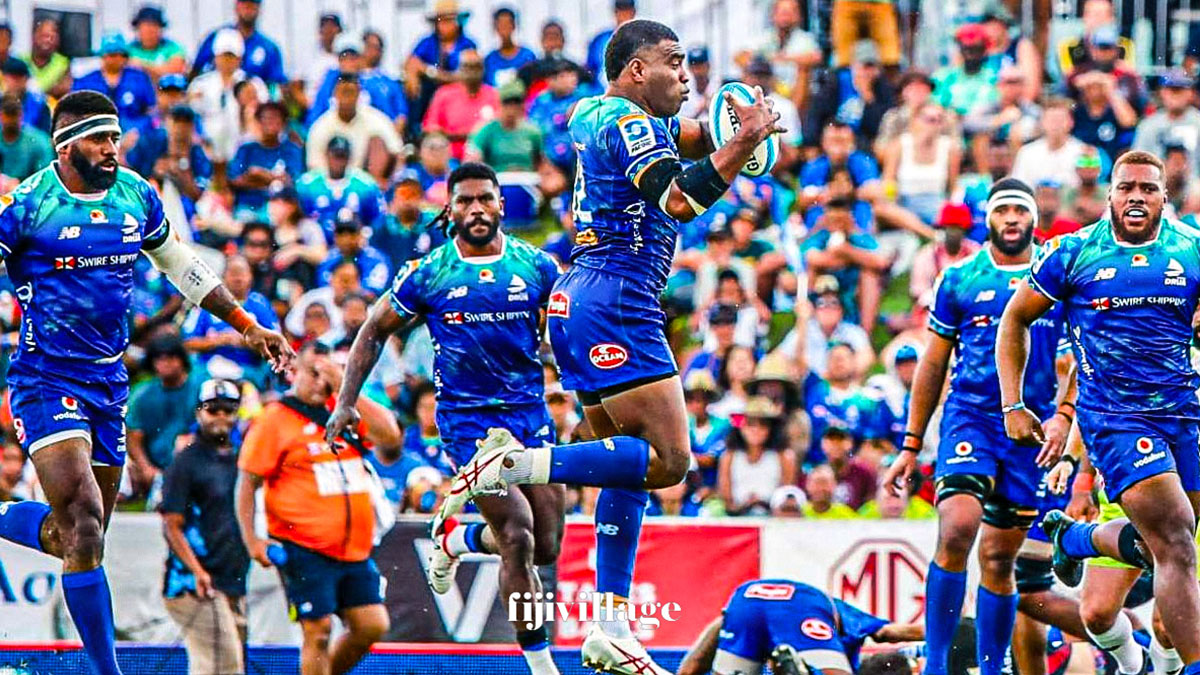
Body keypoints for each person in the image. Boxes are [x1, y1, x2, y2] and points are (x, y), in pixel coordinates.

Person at [426, 19, 781, 675]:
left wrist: (734, 126)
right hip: (619, 299)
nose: (686, 76)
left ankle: (610, 624)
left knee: (625, 467)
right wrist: (746, 141)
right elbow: (679, 198)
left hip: (581, 297)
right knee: (669, 460)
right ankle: (513, 463)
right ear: (637, 70)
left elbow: (691, 136)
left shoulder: (598, 112)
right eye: (675, 62)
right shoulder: (630, 122)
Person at [0, 91, 291, 675]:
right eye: (98, 139)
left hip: (109, 382)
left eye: (115, 137)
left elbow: (181, 265)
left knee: (80, 536)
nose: (112, 148)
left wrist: (246, 323)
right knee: (84, 517)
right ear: (65, 146)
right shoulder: (26, 206)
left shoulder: (136, 193)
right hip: (45, 377)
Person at [326, 163, 565, 675]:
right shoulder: (430, 272)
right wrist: (346, 401)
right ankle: (540, 663)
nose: (476, 209)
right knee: (517, 536)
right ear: (450, 210)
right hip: (467, 425)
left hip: (530, 417)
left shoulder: (537, 266)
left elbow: (573, 326)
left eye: (485, 199)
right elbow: (373, 330)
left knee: (547, 544)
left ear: (501, 205)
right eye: (465, 201)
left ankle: (458, 539)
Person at [999, 150, 1200, 674]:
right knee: (1176, 538)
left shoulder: (1192, 248)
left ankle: (1076, 538)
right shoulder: (1073, 251)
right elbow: (1014, 320)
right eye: (1126, 187)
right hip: (1115, 420)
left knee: (1166, 545)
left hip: (1184, 413)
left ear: (1164, 197)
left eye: (1148, 189)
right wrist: (1013, 403)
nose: (1136, 197)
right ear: (1110, 193)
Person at [882, 177, 1073, 675]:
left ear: (1034, 218)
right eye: (1002, 210)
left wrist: (1063, 418)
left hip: (1029, 431)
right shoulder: (960, 278)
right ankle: (936, 664)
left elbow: (1077, 360)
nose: (1011, 219)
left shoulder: (1056, 276)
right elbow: (933, 362)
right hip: (971, 418)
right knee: (958, 528)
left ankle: (992, 667)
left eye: (1019, 210)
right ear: (987, 219)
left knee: (999, 560)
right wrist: (911, 444)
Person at [237, 342, 397, 675]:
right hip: (304, 547)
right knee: (318, 630)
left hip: (354, 549)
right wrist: (253, 541)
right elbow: (247, 484)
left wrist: (346, 389)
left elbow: (390, 438)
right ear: (294, 372)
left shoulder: (345, 411)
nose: (319, 380)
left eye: (327, 372)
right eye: (313, 372)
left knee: (371, 625)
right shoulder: (275, 419)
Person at [159, 379, 250, 675]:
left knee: (225, 665)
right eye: (213, 410)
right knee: (223, 667)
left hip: (231, 579)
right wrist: (197, 571)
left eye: (228, 410)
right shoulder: (186, 462)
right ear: (199, 412)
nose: (220, 417)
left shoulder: (241, 459)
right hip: (195, 582)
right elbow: (171, 526)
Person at [676, 578, 921, 675]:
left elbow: (720, 623)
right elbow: (889, 632)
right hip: (802, 607)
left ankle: (794, 670)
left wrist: (687, 672)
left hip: (745, 598)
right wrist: (943, 632)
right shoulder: (844, 614)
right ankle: (800, 672)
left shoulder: (838, 614)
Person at [183, 255, 279, 385]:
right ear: (223, 277)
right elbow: (188, 342)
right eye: (233, 273)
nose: (238, 278)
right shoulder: (208, 303)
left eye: (242, 273)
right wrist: (218, 341)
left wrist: (247, 341)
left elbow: (276, 344)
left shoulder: (260, 304)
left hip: (248, 371)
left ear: (250, 276)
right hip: (210, 371)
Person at [126, 336, 202, 491]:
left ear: (181, 359)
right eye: (159, 359)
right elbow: (134, 437)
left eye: (171, 357)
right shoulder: (143, 393)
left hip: (191, 458)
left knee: (184, 442)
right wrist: (146, 468)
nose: (165, 363)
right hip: (153, 462)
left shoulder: (199, 387)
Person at [187, 28, 268, 164]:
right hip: (208, 149)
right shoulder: (200, 84)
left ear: (239, 58)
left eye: (231, 56)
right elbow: (192, 115)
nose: (227, 61)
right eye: (223, 56)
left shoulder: (254, 84)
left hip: (242, 147)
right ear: (215, 57)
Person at [306, 73, 403, 173]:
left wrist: (388, 179)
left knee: (377, 143)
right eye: (344, 92)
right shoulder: (320, 127)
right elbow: (314, 168)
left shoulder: (377, 120)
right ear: (335, 94)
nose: (347, 98)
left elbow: (397, 152)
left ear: (359, 93)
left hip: (369, 180)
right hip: (331, 180)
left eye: (351, 92)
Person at [297, 136, 387, 238]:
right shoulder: (307, 185)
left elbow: (377, 219)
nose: (338, 162)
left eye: (342, 156)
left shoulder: (365, 185)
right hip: (315, 243)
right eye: (335, 156)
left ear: (349, 158)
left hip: (354, 241)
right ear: (327, 155)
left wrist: (364, 236)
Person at [422, 51, 499, 161]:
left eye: (476, 67)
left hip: (487, 157)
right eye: (467, 67)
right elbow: (430, 128)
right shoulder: (444, 94)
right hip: (451, 158)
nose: (472, 71)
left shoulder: (494, 95)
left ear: (483, 69)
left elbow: (500, 128)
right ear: (459, 69)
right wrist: (467, 134)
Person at [72, 34, 156, 132]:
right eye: (111, 55)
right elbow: (75, 113)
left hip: (134, 131)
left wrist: (138, 131)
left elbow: (151, 110)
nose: (116, 59)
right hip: (97, 130)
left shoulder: (139, 78)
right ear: (102, 56)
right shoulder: (85, 82)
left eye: (121, 55)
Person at [192, 0, 286, 87]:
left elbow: (276, 84)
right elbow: (196, 71)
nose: (248, 8)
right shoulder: (217, 37)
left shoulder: (269, 48)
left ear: (259, 8)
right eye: (244, 3)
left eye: (252, 4)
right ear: (236, 6)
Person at [909, 202, 981, 303]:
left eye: (958, 228)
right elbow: (918, 292)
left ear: (966, 231)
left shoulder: (976, 253)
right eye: (950, 228)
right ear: (942, 229)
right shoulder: (927, 255)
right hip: (934, 305)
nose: (954, 233)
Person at [1132, 70, 1200, 175]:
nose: (1175, 95)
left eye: (1180, 90)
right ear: (1161, 92)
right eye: (1171, 90)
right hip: (1157, 182)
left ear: (1191, 93)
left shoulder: (1198, 122)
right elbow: (1138, 164)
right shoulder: (1148, 125)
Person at [1012, 99, 1088, 189]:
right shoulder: (1027, 153)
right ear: (1042, 122)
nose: (1056, 125)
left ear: (1071, 122)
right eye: (1051, 120)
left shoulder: (1082, 152)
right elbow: (1019, 186)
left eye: (1060, 120)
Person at [316, 211, 391, 298]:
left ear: (360, 234)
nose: (346, 239)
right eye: (341, 233)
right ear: (334, 236)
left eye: (351, 233)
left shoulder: (376, 261)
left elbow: (372, 294)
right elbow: (324, 292)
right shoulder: (328, 261)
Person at [0, 94, 53, 182]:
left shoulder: (39, 141)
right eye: (7, 115)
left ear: (21, 115)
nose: (11, 120)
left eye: (14, 114)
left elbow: (45, 175)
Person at [127, 5, 188, 81]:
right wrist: (159, 70)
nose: (150, 30)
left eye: (154, 25)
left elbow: (175, 70)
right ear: (137, 28)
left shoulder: (172, 48)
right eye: (146, 26)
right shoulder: (128, 49)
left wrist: (141, 66)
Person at [587, 0, 638, 84]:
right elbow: (590, 68)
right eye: (620, 12)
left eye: (627, 12)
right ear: (615, 13)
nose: (624, 16)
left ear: (633, 12)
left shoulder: (643, 39)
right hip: (602, 88)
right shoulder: (600, 40)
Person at [484, 7, 537, 87]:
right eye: (501, 25)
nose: (504, 29)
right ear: (495, 28)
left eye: (507, 24)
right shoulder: (489, 60)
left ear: (514, 26)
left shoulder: (527, 56)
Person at [0, 58, 51, 135]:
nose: (15, 83)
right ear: (4, 78)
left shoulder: (39, 105)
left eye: (19, 78)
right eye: (12, 78)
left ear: (26, 79)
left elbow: (44, 135)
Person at [23, 18, 70, 99]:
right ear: (34, 36)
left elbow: (63, 89)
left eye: (52, 37)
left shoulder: (63, 63)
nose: (47, 40)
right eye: (44, 36)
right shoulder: (21, 60)